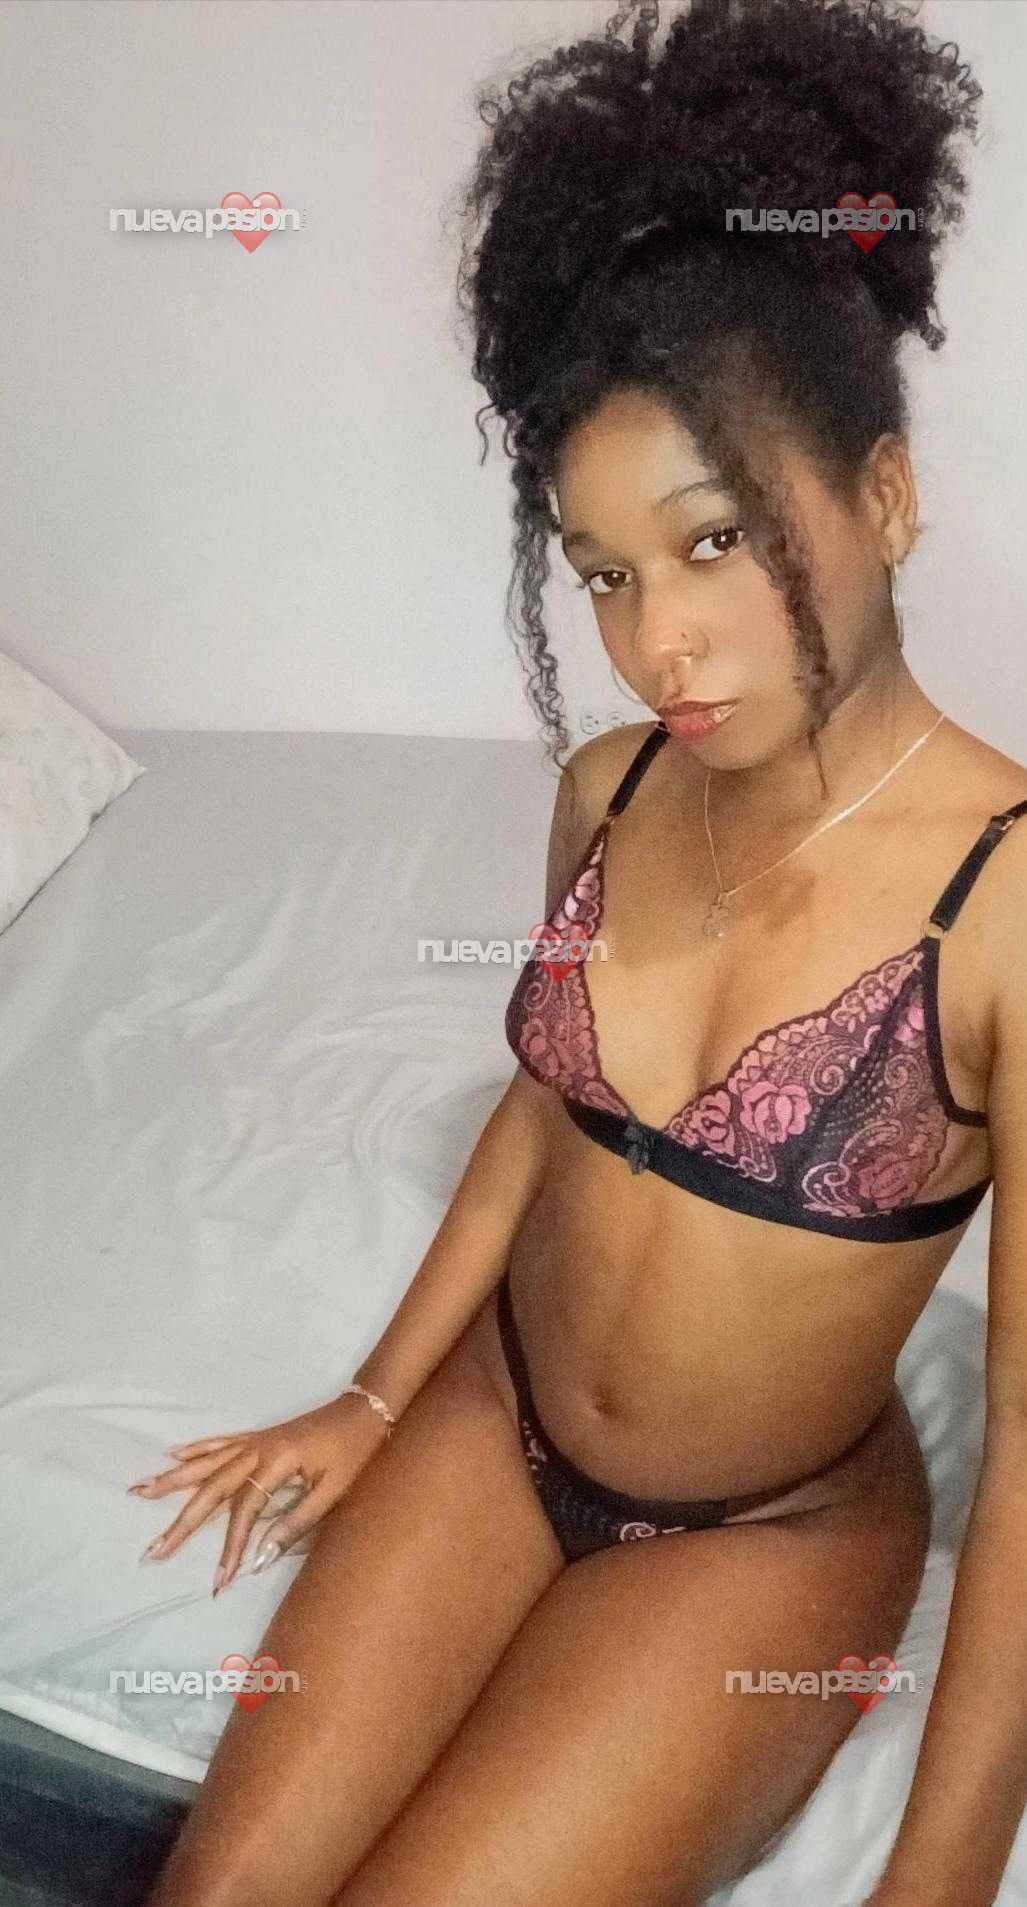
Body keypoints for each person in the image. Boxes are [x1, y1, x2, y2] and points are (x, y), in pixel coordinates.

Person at [137, 2, 1027, 1902]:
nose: (654, 645)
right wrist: (377, 1397)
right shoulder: (609, 788)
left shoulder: (1010, 900)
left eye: (713, 545)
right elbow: (553, 1116)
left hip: (768, 1534)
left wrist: (940, 1876)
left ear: (883, 496)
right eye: (604, 572)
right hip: (497, 1418)